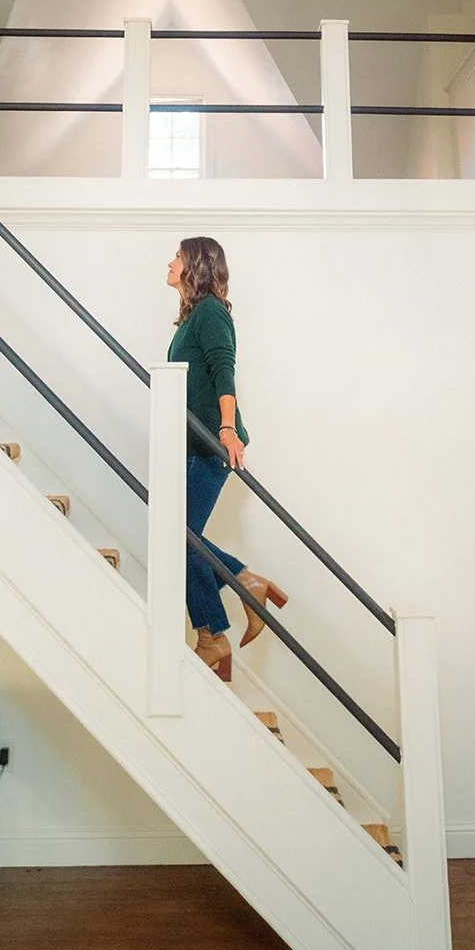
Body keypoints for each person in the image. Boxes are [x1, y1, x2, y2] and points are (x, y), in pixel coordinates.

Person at [166, 236, 287, 682]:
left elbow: (223, 369)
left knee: (177, 536)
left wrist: (227, 429)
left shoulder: (212, 312)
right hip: (193, 448)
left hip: (211, 449)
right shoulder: (190, 319)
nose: (170, 261)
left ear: (195, 264)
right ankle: (241, 592)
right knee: (178, 537)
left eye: (177, 256)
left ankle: (215, 630)